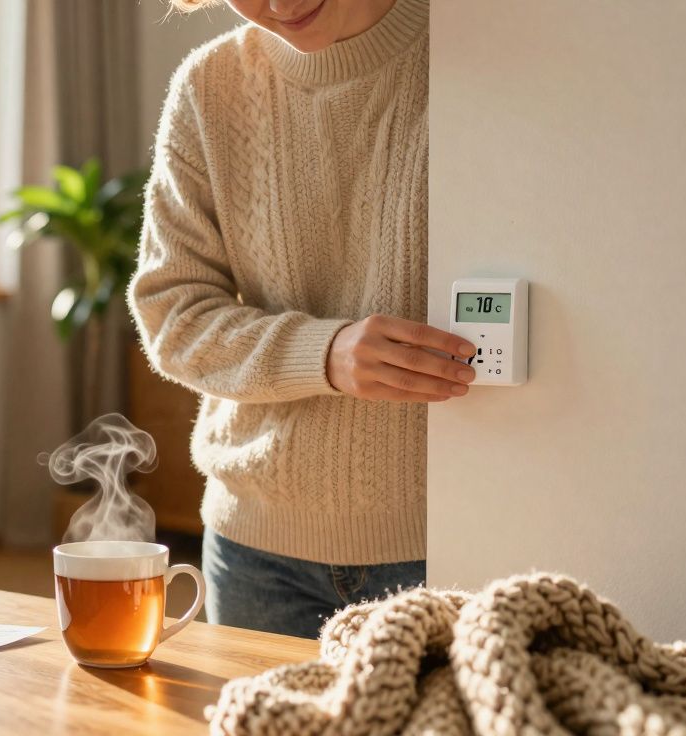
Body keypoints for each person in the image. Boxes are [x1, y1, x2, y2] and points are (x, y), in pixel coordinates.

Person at [128, 0, 476, 639]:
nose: (281, 4)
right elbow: (172, 314)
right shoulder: (210, 87)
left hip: (455, 547)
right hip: (257, 553)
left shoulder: (488, 51)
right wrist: (326, 352)